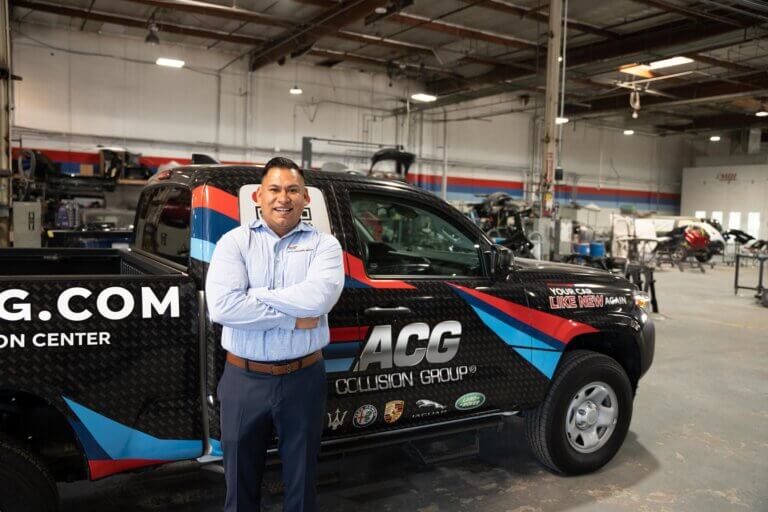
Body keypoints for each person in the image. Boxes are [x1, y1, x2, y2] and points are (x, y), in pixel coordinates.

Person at [205, 157, 344, 512]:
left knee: (301, 481)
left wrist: (255, 296)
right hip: (243, 379)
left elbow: (320, 298)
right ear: (258, 196)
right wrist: (293, 319)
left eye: (293, 190)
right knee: (239, 483)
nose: (284, 198)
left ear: (306, 198)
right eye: (275, 189)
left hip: (304, 379)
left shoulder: (324, 246)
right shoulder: (233, 243)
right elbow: (223, 308)